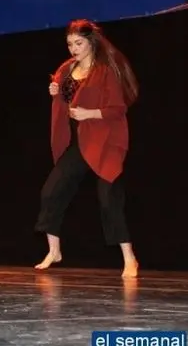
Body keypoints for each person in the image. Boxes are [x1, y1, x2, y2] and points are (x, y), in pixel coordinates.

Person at [35, 19, 139, 278]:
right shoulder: (66, 69)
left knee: (108, 200)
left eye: (78, 43)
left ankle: (130, 258)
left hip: (104, 141)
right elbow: (64, 100)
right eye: (70, 44)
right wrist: (55, 92)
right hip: (79, 141)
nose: (73, 49)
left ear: (91, 42)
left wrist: (89, 113)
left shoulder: (104, 71)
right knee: (51, 191)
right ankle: (54, 250)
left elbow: (118, 109)